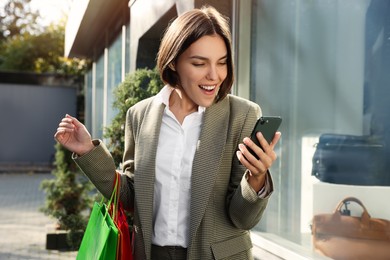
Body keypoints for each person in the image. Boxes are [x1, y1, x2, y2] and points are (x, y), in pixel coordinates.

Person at [54, 5, 281, 260]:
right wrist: (88, 151)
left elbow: (243, 218)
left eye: (222, 62)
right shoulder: (139, 115)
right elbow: (131, 196)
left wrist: (257, 178)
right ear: (173, 62)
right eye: (199, 63)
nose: (214, 75)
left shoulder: (243, 115)